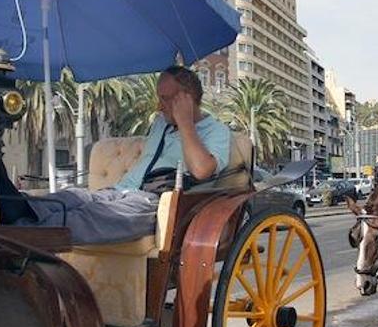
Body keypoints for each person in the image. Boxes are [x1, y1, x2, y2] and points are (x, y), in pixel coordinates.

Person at [13, 66, 231, 244]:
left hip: (153, 202)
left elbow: (202, 170)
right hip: (120, 190)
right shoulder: (160, 124)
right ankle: (13, 212)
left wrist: (185, 122)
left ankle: (19, 235)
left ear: (188, 98)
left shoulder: (216, 131)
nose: (159, 106)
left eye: (165, 99)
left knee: (91, 216)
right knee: (69, 198)